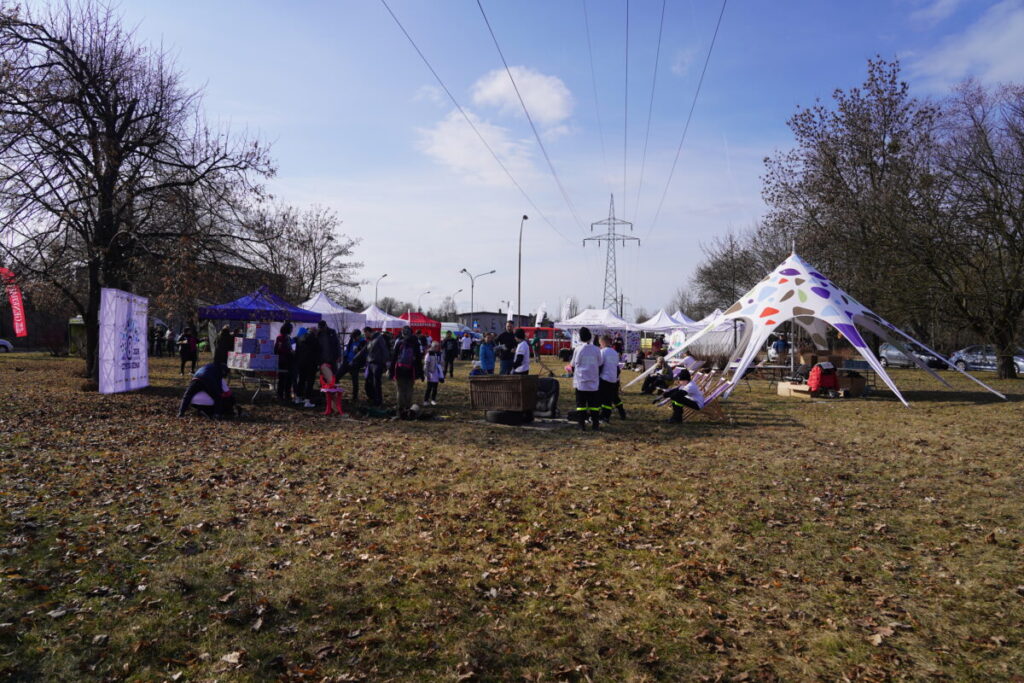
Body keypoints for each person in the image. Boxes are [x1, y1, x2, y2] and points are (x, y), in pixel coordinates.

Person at [569, 327, 603, 431]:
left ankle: (581, 425)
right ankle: (595, 425)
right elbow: (600, 363)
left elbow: (573, 365)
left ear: (580, 337)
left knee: (581, 405)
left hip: (581, 381)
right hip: (593, 381)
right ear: (590, 337)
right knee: (594, 405)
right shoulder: (597, 349)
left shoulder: (578, 349)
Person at [390, 326, 423, 418]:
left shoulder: (399, 343)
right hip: (411, 370)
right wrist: (420, 373)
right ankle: (408, 407)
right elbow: (419, 359)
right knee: (409, 389)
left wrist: (391, 371)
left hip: (399, 370)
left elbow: (394, 358)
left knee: (400, 390)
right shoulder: (415, 343)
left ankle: (400, 408)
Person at [598, 334, 625, 421]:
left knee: (604, 399)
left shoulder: (603, 352)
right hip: (614, 379)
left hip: (605, 378)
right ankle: (621, 411)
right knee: (613, 397)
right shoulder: (614, 352)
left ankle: (605, 416)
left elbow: (600, 365)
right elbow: (617, 367)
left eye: (600, 343)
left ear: (603, 342)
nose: (600, 345)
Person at [294, 327, 319, 408]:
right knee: (310, 382)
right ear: (314, 332)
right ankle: (307, 400)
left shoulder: (300, 338)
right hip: (311, 364)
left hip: (301, 363)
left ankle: (298, 398)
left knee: (301, 380)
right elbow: (318, 350)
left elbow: (297, 351)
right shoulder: (314, 339)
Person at [364, 328, 389, 407]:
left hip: (377, 364)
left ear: (368, 332)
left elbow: (384, 351)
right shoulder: (370, 340)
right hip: (370, 363)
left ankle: (378, 400)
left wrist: (385, 363)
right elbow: (366, 351)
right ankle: (372, 397)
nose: (364, 335)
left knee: (376, 383)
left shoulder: (379, 338)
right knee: (368, 382)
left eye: (365, 333)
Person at [341, 328, 368, 402]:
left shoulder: (363, 342)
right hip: (347, 362)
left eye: (355, 337)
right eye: (352, 337)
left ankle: (355, 396)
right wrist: (345, 357)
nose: (353, 338)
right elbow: (347, 350)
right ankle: (332, 392)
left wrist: (358, 351)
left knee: (355, 381)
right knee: (337, 375)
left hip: (355, 364)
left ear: (358, 336)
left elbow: (364, 354)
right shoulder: (351, 340)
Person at [274, 322, 295, 403]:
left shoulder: (288, 338)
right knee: (282, 379)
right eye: (291, 328)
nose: (292, 330)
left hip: (289, 361)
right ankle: (280, 395)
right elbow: (278, 349)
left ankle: (287, 395)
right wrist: (289, 351)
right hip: (283, 361)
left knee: (289, 379)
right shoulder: (280, 337)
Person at [317, 320, 341, 385]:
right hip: (322, 359)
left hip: (332, 357)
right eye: (320, 328)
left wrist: (339, 355)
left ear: (325, 326)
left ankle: (333, 389)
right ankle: (323, 390)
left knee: (333, 374)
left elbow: (337, 344)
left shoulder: (332, 332)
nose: (321, 329)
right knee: (323, 375)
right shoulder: (318, 334)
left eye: (322, 327)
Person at [423, 340, 444, 405]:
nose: (438, 348)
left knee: (435, 388)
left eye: (438, 347)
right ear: (434, 347)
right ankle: (425, 400)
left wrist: (442, 372)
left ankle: (433, 400)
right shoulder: (429, 354)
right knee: (429, 388)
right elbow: (426, 364)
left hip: (437, 373)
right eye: (437, 347)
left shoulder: (440, 354)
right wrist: (426, 374)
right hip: (430, 373)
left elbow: (442, 362)